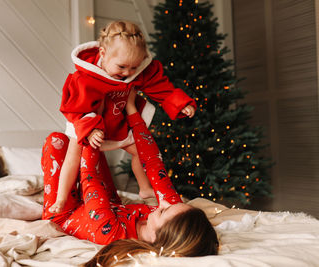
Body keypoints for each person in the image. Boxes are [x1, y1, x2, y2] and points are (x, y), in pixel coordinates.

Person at [42, 90, 218, 265]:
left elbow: (90, 176)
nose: (162, 203)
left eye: (163, 210)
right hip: (109, 205)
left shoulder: (111, 234)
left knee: (56, 141)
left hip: (64, 214)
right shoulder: (170, 216)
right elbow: (153, 161)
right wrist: (131, 109)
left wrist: (95, 115)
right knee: (85, 145)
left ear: (159, 235)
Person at [53, 20, 197, 213]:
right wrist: (91, 127)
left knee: (140, 151)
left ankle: (145, 188)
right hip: (87, 121)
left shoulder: (135, 71)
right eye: (122, 67)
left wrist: (181, 103)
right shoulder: (85, 78)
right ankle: (61, 199)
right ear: (103, 54)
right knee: (73, 155)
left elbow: (159, 86)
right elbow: (76, 107)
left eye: (134, 67)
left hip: (116, 121)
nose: (128, 73)